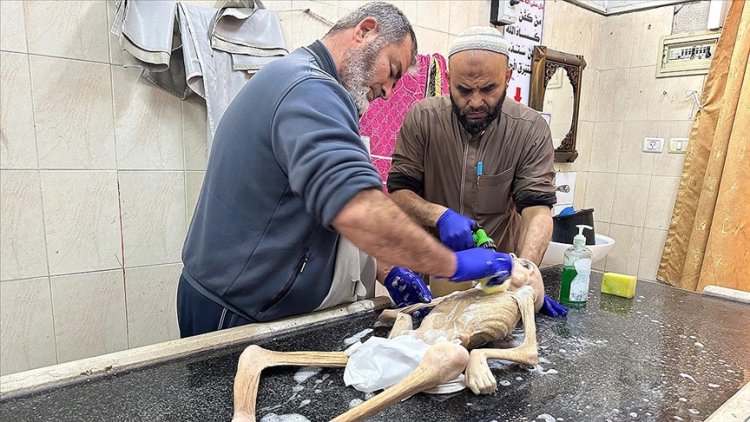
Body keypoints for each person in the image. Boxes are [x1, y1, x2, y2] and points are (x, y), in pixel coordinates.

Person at [177, 3, 514, 337]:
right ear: (365, 31)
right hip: (233, 312)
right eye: (392, 70)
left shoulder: (305, 81)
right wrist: (451, 265)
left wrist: (388, 270)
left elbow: (323, 205)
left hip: (240, 301)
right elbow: (356, 207)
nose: (388, 92)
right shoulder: (309, 90)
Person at [388, 26, 557, 300]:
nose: (476, 102)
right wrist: (438, 216)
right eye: (464, 90)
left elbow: (537, 210)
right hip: (433, 279)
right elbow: (399, 193)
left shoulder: (530, 129)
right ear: (448, 77)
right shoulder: (423, 118)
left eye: (489, 89)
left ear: (507, 77)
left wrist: (526, 274)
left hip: (498, 283)